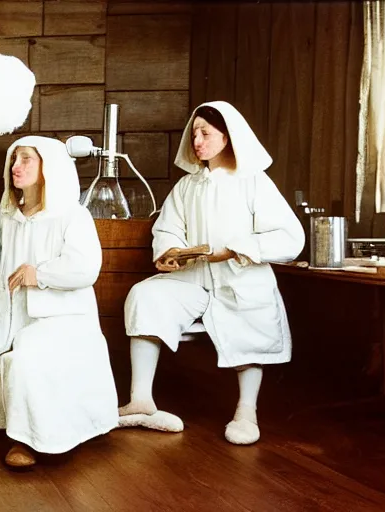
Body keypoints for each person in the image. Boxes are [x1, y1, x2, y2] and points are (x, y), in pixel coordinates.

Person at [118, 101, 305, 445]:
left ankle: (247, 411)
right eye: (194, 134)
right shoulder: (188, 186)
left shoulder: (253, 182)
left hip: (240, 278)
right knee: (146, 295)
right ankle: (140, 400)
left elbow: (291, 238)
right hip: (194, 279)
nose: (197, 140)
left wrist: (235, 250)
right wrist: (169, 253)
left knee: (249, 324)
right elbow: (167, 230)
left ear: (228, 136)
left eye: (205, 132)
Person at [0, 136, 119, 468]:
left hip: (59, 321)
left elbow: (86, 268)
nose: (16, 167)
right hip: (7, 315)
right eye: (14, 160)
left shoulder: (71, 215)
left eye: (26, 160)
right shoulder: (6, 215)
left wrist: (38, 273)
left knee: (25, 356)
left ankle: (25, 440)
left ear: (47, 168)